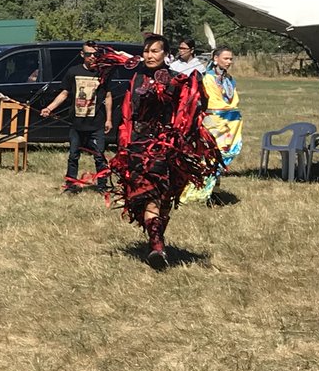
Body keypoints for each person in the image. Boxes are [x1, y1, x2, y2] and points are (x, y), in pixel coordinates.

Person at [99, 34, 220, 269]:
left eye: (155, 51)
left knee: (163, 200)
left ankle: (157, 242)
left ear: (166, 54)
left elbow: (191, 109)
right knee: (148, 197)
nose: (149, 55)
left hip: (167, 149)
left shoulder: (177, 80)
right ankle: (157, 247)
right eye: (146, 51)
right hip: (138, 147)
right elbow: (128, 114)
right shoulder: (136, 78)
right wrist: (123, 145)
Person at [40, 40, 114, 194]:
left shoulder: (103, 73)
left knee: (99, 156)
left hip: (96, 123)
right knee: (73, 155)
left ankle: (102, 186)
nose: (92, 57)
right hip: (77, 122)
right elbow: (64, 93)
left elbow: (107, 96)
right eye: (88, 54)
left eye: (96, 54)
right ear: (82, 55)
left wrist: (109, 119)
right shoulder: (73, 72)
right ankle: (71, 184)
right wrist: (49, 108)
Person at [182, 46, 242, 205]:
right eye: (226, 58)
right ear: (215, 59)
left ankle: (214, 192)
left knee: (222, 158)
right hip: (213, 123)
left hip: (231, 123)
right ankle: (199, 193)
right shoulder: (206, 78)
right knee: (209, 157)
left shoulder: (229, 79)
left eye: (231, 59)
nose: (229, 61)